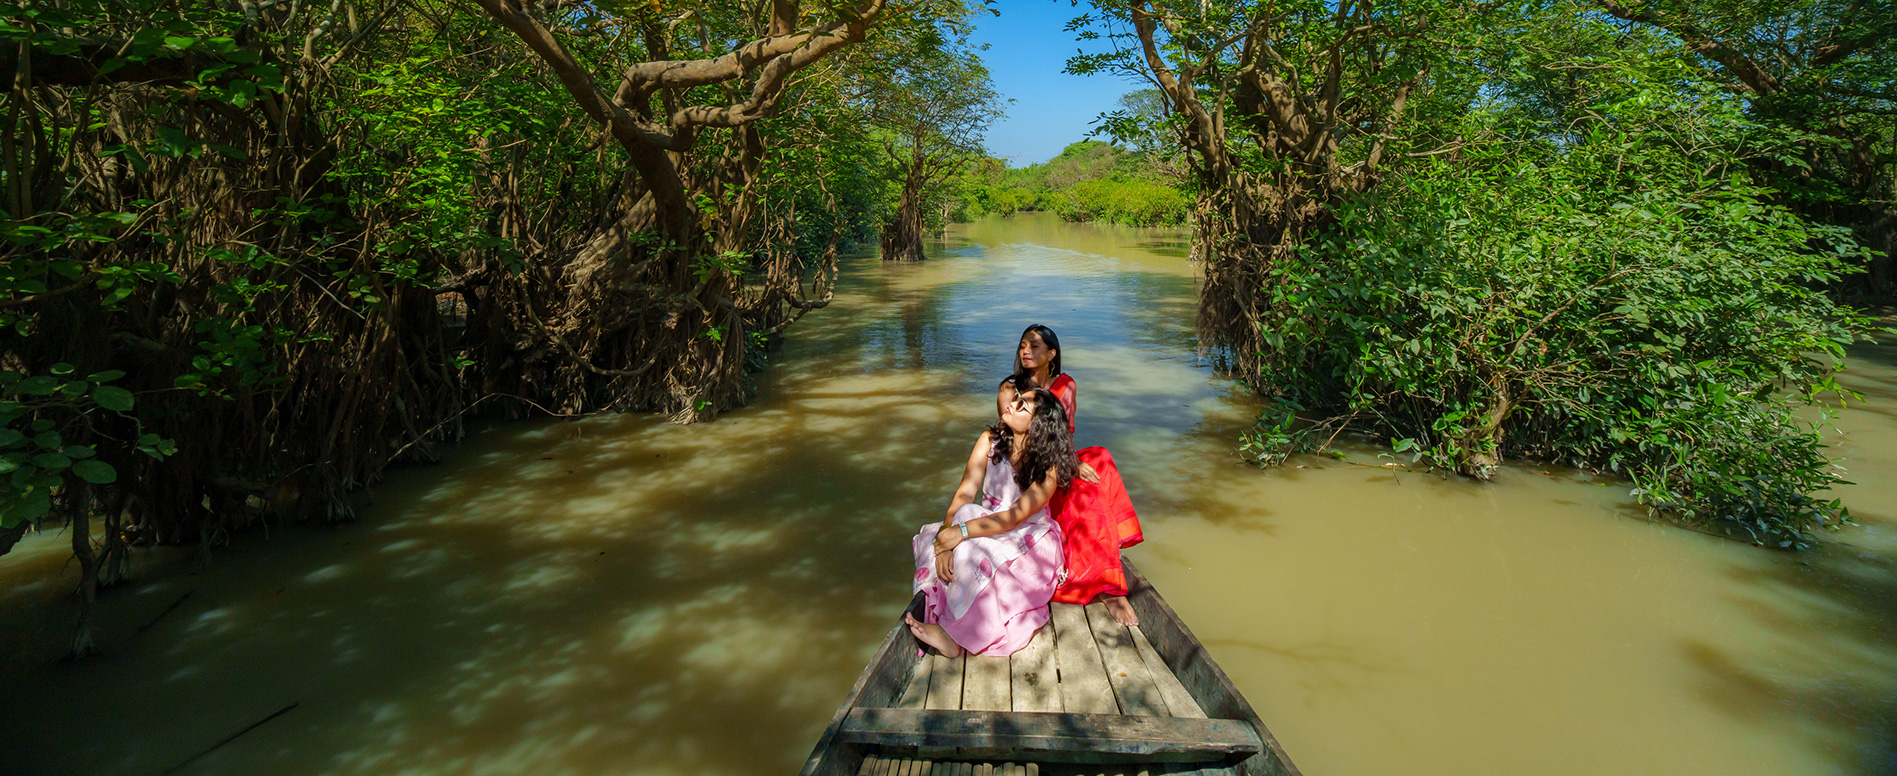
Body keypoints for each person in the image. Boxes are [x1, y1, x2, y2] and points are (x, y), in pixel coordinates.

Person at [905, 387, 1075, 658]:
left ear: (1037, 425)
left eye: (1022, 405)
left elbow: (1013, 517)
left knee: (975, 548)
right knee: (934, 536)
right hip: (986, 524)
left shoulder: (1048, 468)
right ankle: (940, 612)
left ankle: (953, 635)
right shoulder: (989, 440)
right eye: (1016, 398)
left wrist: (960, 533)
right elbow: (964, 494)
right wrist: (945, 541)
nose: (1012, 404)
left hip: (1028, 537)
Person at [994, 324, 1144, 626]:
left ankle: (1108, 551)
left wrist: (1070, 460)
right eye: (1022, 345)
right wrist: (1069, 464)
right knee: (1087, 492)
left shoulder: (1066, 385)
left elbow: (1064, 437)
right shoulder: (1010, 389)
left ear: (1052, 354)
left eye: (1034, 346)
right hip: (1029, 466)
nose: (1025, 351)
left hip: (1057, 456)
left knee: (1100, 456)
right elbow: (1016, 442)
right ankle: (1107, 585)